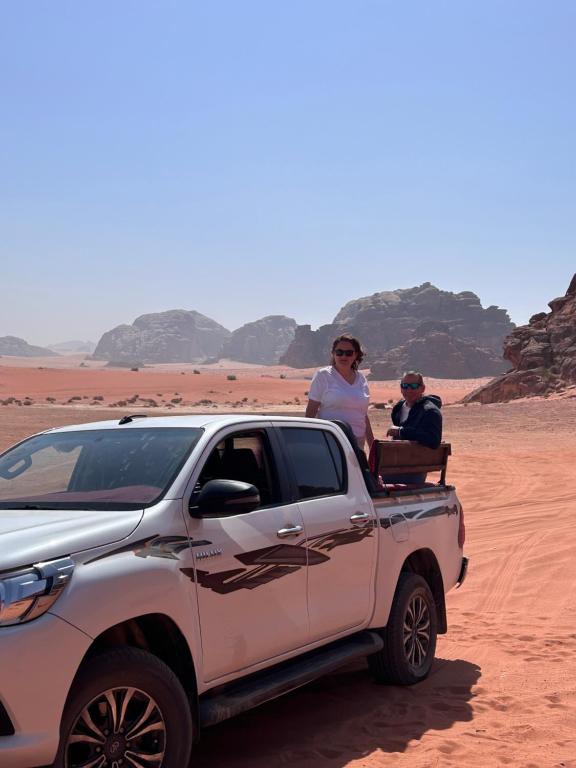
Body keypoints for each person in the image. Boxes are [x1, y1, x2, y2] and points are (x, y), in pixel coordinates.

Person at [305, 334, 374, 450]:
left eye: (349, 353)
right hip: (330, 441)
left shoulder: (361, 379)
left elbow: (363, 414)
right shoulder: (323, 376)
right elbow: (311, 410)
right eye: (339, 352)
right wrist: (308, 440)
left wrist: (372, 444)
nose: (343, 356)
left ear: (356, 355)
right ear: (333, 353)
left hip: (357, 444)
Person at [383, 371, 442, 484]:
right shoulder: (398, 408)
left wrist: (401, 432)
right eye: (404, 386)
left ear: (422, 388)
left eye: (414, 386)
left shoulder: (430, 411)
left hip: (415, 468)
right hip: (395, 463)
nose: (408, 390)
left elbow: (434, 440)